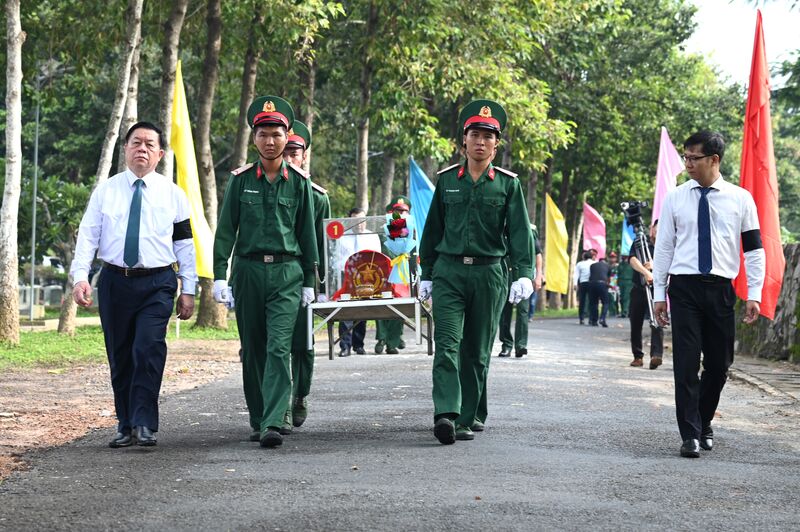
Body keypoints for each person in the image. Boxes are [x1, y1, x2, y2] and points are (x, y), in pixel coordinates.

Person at [71, 122, 197, 448]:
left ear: (159, 154)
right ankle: (125, 423)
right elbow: (88, 237)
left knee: (148, 348)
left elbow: (184, 245)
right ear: (125, 149)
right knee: (121, 354)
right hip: (115, 281)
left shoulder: (174, 195)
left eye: (148, 144)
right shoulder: (106, 191)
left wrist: (189, 289)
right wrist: (80, 278)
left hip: (158, 283)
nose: (141, 148)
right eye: (135, 142)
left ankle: (145, 423)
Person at [419, 99, 533, 444]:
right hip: (449, 272)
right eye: (474, 135)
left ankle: (468, 416)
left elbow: (519, 232)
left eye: (488, 136)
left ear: (496, 146)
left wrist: (523, 274)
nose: (480, 141)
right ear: (463, 142)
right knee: (447, 344)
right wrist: (426, 272)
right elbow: (433, 230)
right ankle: (447, 414)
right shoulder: (447, 182)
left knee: (477, 349)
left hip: (489, 274)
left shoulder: (508, 185)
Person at [212, 96, 318, 449]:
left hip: (287, 274)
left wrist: (308, 280)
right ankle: (258, 418)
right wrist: (217, 275)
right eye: (263, 134)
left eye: (276, 134)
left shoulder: (299, 183)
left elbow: (308, 235)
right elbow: (226, 230)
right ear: (254, 138)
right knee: (253, 348)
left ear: (287, 136)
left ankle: (274, 420)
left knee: (278, 346)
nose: (270, 141)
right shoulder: (241, 181)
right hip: (248, 272)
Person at [653, 131, 765, 458]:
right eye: (685, 157)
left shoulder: (741, 199)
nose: (687, 163)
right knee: (686, 363)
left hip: (720, 290)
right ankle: (689, 433)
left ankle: (703, 420)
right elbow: (664, 249)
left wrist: (754, 293)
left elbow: (755, 251)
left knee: (719, 365)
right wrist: (660, 292)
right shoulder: (675, 197)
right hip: (685, 287)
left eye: (693, 158)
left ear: (714, 160)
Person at [284, 120, 330, 432]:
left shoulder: (317, 197)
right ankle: (278, 408)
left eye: (294, 151)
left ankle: (300, 394)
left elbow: (324, 243)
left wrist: (322, 284)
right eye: (284, 151)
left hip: (303, 279)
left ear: (304, 155)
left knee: (302, 343)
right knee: (274, 345)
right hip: (271, 275)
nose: (288, 157)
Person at [375, 195, 416, 355]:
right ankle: (382, 338)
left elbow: (414, 254)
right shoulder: (382, 231)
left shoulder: (410, 232)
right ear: (390, 212)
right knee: (381, 305)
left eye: (405, 212)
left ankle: (393, 341)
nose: (402, 214)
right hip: (383, 273)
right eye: (398, 211)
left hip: (402, 274)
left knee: (399, 306)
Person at [336, 206, 380, 357]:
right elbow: (337, 260)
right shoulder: (342, 237)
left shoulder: (372, 236)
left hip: (366, 277)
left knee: (362, 311)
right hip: (347, 276)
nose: (360, 224)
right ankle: (345, 346)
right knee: (346, 311)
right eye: (356, 221)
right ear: (350, 221)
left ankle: (358, 345)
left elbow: (378, 257)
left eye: (362, 221)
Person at [498, 223, 543, 357]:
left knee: (523, 311)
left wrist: (539, 275)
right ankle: (506, 345)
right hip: (505, 274)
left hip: (523, 275)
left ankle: (521, 345)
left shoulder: (529, 228)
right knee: (504, 311)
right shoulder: (499, 227)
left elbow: (537, 254)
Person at [628, 220, 664, 369]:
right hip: (639, 288)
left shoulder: (666, 247)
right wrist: (646, 272)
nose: (659, 230)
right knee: (635, 323)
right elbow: (632, 260)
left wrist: (654, 266)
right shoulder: (641, 243)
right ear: (652, 229)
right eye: (657, 227)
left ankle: (656, 355)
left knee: (657, 321)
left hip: (658, 290)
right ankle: (638, 356)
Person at [587, 257, 611, 327]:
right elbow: (609, 278)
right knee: (605, 302)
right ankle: (602, 319)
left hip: (592, 284)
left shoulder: (592, 266)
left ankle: (594, 321)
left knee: (594, 303)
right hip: (602, 284)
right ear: (605, 261)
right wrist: (608, 285)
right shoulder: (608, 266)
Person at [527, 224, 544, 321]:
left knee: (532, 299)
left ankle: (530, 316)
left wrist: (539, 276)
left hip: (532, 276)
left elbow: (539, 257)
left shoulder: (534, 241)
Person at [573, 250, 595, 324]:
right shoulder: (594, 263)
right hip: (592, 283)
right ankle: (591, 318)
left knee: (582, 301)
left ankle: (581, 318)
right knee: (592, 301)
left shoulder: (579, 264)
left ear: (584, 257)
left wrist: (575, 284)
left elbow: (576, 275)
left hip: (583, 283)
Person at [606, 252, 620, 317]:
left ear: (616, 258)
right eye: (611, 257)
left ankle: (616, 311)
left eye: (613, 257)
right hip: (609, 283)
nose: (612, 259)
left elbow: (616, 275)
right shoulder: (607, 266)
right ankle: (612, 312)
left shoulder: (617, 266)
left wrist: (613, 284)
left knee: (616, 298)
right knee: (610, 298)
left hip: (616, 283)